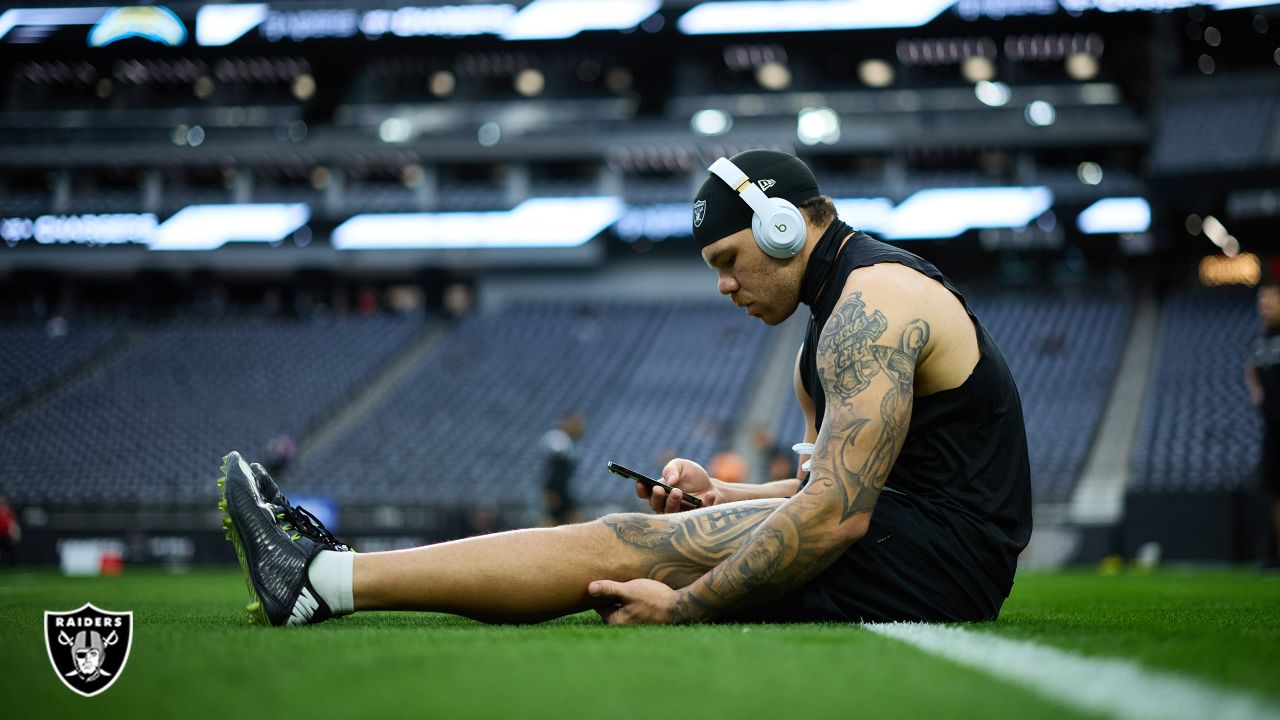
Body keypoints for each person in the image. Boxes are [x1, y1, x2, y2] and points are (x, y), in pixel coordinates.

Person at [217, 149, 1031, 627]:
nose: (723, 287)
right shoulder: (830, 328)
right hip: (917, 541)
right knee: (639, 539)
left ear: (783, 226)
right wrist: (723, 495)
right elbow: (831, 485)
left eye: (726, 262)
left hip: (941, 558)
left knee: (624, 545)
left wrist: (685, 608)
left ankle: (320, 580)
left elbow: (838, 515)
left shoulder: (874, 306)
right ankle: (326, 579)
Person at [1244, 280, 1280, 566]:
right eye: (1262, 301)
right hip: (1272, 426)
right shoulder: (1261, 338)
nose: (1264, 305)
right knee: (1275, 489)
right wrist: (1256, 390)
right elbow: (1251, 367)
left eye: (1270, 300)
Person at [542, 412, 585, 526]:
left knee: (562, 522)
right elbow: (555, 468)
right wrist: (551, 490)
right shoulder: (560, 439)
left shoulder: (569, 442)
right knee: (554, 522)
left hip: (563, 488)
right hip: (557, 490)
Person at [0, 494, 20, 566]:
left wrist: (15, 534)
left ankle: (11, 564)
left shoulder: (9, 512)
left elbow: (13, 524)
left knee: (10, 551)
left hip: (6, 536)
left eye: (3, 503)